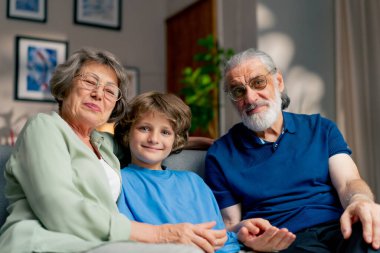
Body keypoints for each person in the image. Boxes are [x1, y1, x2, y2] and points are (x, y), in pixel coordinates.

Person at [0, 48, 211, 253]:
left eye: (110, 91)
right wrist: (159, 234)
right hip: (43, 241)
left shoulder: (103, 143)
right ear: (65, 87)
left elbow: (144, 140)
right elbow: (59, 209)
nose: (98, 94)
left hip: (98, 244)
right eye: (90, 82)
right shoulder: (44, 128)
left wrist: (195, 142)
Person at [204, 48, 380, 252]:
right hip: (285, 240)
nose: (250, 98)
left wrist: (360, 200)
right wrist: (243, 233)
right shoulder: (220, 154)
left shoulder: (321, 128)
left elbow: (349, 182)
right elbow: (230, 223)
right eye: (238, 91)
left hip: (341, 228)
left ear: (278, 82)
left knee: (372, 238)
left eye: (258, 82)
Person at [114, 91, 240, 253]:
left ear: (176, 139)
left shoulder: (193, 182)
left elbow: (220, 239)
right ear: (127, 132)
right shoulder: (119, 180)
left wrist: (237, 235)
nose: (154, 139)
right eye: (144, 128)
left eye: (165, 132)